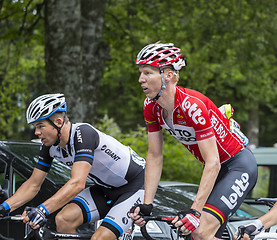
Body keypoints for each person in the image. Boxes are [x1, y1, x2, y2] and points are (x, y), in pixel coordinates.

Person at [130, 42, 258, 240]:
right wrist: (147, 204)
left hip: (237, 166)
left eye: (148, 73)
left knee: (197, 231)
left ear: (168, 75)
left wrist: (195, 211)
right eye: (140, 72)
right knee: (193, 235)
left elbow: (213, 162)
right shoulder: (151, 107)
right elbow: (155, 156)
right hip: (217, 171)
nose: (141, 79)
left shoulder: (191, 106)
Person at [0, 93, 145, 240]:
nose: (36, 132)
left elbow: (77, 183)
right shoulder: (49, 146)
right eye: (35, 127)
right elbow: (33, 184)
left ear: (57, 122)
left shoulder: (83, 134)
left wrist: (42, 210)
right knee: (64, 219)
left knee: (99, 238)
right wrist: (4, 207)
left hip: (135, 185)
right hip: (106, 188)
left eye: (40, 126)